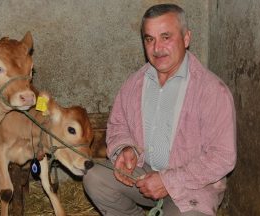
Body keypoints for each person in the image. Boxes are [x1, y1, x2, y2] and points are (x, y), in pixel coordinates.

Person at [83, 3, 236, 216]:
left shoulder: (212, 91)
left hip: (192, 185)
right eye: (149, 39)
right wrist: (125, 148)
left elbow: (223, 157)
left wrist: (168, 180)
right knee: (95, 178)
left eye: (166, 37)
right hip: (143, 172)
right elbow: (118, 124)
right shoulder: (134, 84)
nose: (157, 48)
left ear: (186, 38)